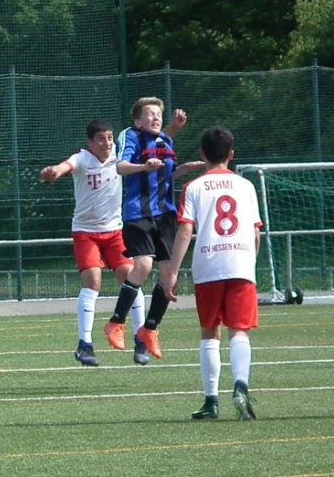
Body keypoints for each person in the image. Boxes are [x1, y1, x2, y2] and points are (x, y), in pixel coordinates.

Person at [163, 127, 261, 421]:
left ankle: (211, 401)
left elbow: (185, 231)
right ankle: (241, 388)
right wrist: (249, 262)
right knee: (239, 330)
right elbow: (256, 233)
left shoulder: (193, 187)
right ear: (231, 155)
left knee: (210, 331)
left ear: (202, 154)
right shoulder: (246, 186)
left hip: (208, 265)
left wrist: (172, 272)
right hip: (241, 263)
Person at [39, 120, 149, 366]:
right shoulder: (82, 158)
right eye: (101, 138)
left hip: (114, 232)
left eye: (109, 138)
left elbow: (152, 144)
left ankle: (141, 340)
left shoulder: (119, 158)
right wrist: (53, 172)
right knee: (93, 281)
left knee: (131, 279)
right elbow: (64, 167)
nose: (107, 143)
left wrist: (171, 128)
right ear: (90, 142)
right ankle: (85, 345)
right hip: (86, 232)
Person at [102, 97, 204, 360]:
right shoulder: (131, 136)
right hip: (139, 213)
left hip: (165, 215)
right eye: (150, 113)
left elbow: (166, 175)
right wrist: (143, 166)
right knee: (144, 266)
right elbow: (120, 167)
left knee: (169, 276)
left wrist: (185, 168)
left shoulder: (165, 141)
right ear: (138, 121)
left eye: (159, 113)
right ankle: (116, 322)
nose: (156, 117)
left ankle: (149, 329)